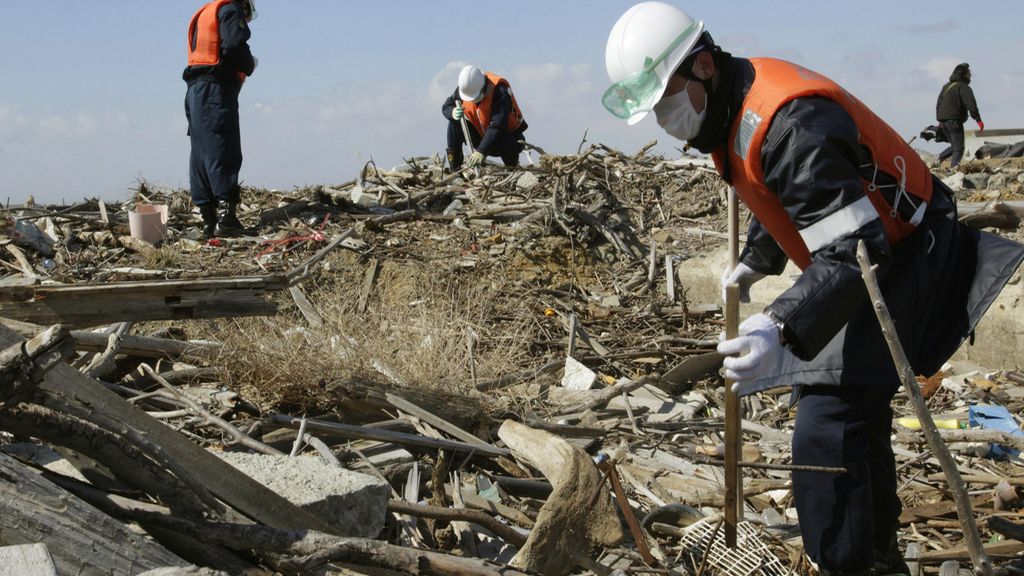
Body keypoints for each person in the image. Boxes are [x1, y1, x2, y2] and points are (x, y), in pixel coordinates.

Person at [603, 3, 1023, 575]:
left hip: (912, 258)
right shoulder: (739, 111)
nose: (663, 119)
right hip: (881, 256)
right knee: (852, 408)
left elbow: (856, 247)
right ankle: (875, 558)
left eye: (664, 100)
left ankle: (848, 565)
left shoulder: (790, 124)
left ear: (702, 67)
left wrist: (780, 326)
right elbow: (792, 195)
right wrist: (756, 259)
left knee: (828, 415)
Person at [183, 0, 258, 239]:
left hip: (195, 90)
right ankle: (227, 219)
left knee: (201, 152)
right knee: (222, 147)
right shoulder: (230, 9)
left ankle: (209, 220)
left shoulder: (205, 12)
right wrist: (249, 64)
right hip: (215, 90)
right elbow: (234, 45)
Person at [442, 65, 528, 172]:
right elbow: (446, 106)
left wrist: (481, 151)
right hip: (481, 136)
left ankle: (512, 169)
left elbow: (498, 125)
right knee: (454, 123)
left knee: (506, 139)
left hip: (505, 140)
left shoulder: (500, 90)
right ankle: (455, 169)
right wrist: (452, 112)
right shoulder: (466, 88)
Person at [936, 63, 983, 169]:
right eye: (969, 72)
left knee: (955, 146)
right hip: (954, 122)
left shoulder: (946, 86)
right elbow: (971, 104)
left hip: (943, 122)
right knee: (959, 149)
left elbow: (939, 104)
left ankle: (939, 158)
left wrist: (940, 121)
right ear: (963, 74)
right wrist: (978, 120)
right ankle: (953, 170)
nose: (971, 74)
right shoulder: (963, 87)